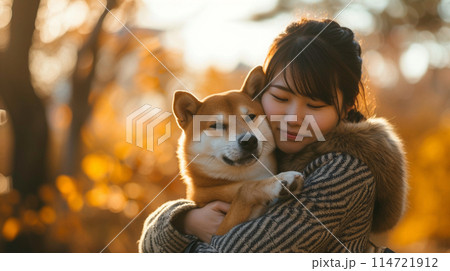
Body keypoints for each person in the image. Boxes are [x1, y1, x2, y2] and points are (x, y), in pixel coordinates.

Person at [138, 19, 407, 253]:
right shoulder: (271, 153)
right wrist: (186, 220)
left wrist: (242, 198)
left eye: (314, 105)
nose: (293, 118)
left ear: (346, 108)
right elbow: (147, 247)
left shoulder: (345, 172)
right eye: (280, 97)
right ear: (261, 92)